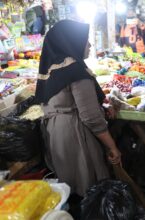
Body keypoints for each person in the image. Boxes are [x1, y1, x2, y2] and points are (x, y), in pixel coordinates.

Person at [35, 20, 122, 197]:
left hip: (55, 135)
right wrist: (112, 146)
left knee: (69, 187)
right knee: (88, 187)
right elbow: (90, 117)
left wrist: (101, 104)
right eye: (85, 40)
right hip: (74, 136)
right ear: (71, 41)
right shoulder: (74, 70)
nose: (89, 44)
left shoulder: (51, 67)